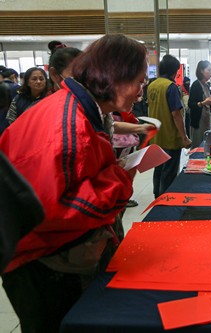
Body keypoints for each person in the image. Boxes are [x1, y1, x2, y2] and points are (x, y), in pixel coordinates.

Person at [0, 34, 146, 333]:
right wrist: (120, 178)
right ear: (115, 78)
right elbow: (54, 211)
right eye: (139, 82)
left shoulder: (72, 106)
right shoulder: (69, 125)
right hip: (41, 259)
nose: (140, 93)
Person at [148, 54, 191, 198]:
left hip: (155, 136)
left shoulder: (152, 85)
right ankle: (165, 201)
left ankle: (157, 197)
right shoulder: (171, 87)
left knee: (158, 169)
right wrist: (184, 137)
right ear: (174, 71)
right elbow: (176, 114)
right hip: (169, 137)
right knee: (169, 172)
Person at [188, 60, 211, 148]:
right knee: (198, 146)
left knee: (207, 145)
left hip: (207, 119)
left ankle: (208, 161)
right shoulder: (196, 85)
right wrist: (203, 103)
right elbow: (191, 104)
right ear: (201, 71)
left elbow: (208, 103)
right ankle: (195, 162)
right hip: (198, 121)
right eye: (209, 70)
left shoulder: (207, 85)